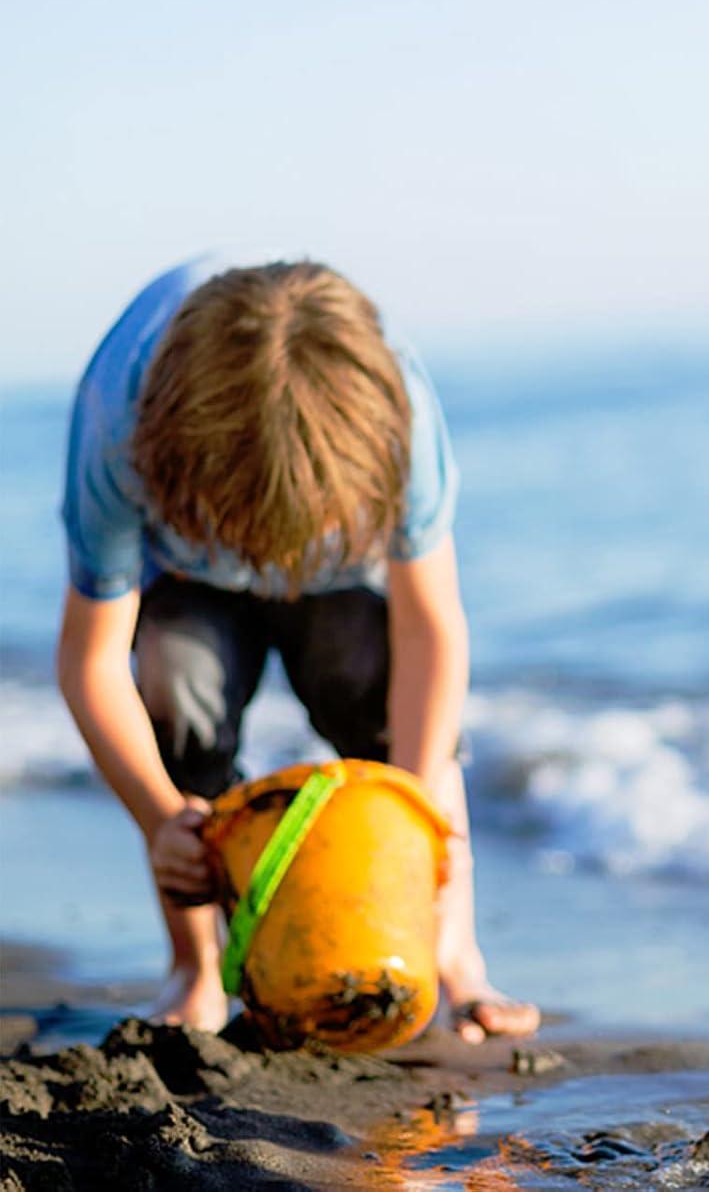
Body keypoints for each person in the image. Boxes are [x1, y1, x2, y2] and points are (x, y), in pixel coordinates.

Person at [55, 256, 541, 1043]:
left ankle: (456, 958)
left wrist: (417, 804)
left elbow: (430, 626)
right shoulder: (119, 427)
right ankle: (196, 965)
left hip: (340, 576)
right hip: (188, 573)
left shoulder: (395, 413)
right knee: (177, 686)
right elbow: (92, 660)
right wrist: (159, 816)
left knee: (373, 683)